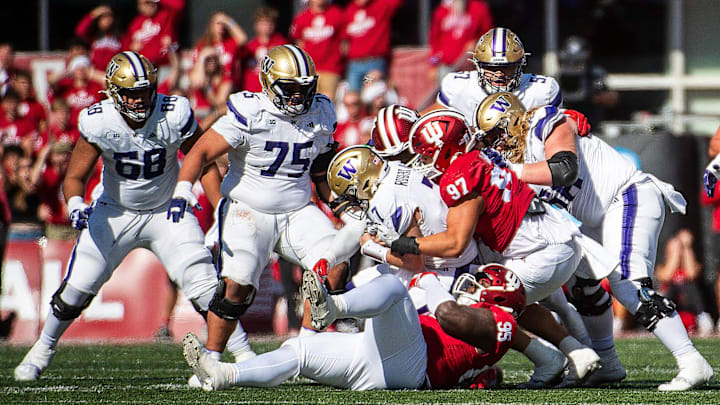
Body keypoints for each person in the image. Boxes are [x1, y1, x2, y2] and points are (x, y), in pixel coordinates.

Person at [13, 51, 252, 382]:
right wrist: (76, 203)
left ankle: (244, 354)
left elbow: (204, 159)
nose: (139, 100)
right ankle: (42, 349)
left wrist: (220, 215)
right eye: (131, 93)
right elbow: (75, 175)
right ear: (113, 92)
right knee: (77, 289)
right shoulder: (99, 120)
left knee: (204, 285)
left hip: (166, 210)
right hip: (116, 212)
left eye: (144, 91)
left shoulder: (174, 111)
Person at [473, 92, 714, 390]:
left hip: (627, 195)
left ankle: (691, 360)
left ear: (513, 122)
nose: (495, 143)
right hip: (593, 218)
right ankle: (608, 364)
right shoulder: (513, 159)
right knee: (582, 287)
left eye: (497, 133)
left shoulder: (543, 123)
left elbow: (564, 169)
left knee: (629, 285)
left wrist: (511, 171)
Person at [167, 44, 357, 366]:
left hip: (297, 210)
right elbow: (200, 151)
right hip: (248, 209)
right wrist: (183, 190)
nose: (298, 97)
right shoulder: (251, 111)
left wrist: (340, 205)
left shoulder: (321, 111)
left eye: (304, 89)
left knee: (336, 265)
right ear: (269, 83)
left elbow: (320, 168)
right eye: (290, 89)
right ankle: (211, 359)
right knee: (236, 288)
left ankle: (305, 352)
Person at [182, 261, 523, 391]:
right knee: (299, 351)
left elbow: (449, 316)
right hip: (377, 360)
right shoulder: (481, 321)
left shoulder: (500, 323)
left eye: (480, 286)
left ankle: (332, 309)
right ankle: (225, 375)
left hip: (415, 367)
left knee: (394, 290)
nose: (470, 288)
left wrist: (430, 286)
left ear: (499, 302)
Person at [427, 27, 561, 119]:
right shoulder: (458, 86)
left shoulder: (542, 91)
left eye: (506, 67)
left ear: (519, 66)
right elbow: (433, 118)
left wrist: (571, 118)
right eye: (491, 68)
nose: (498, 74)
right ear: (479, 67)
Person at [343, 0, 405, 92]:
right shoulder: (350, 10)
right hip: (355, 65)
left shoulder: (381, 5)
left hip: (373, 63)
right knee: (354, 94)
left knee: (369, 91)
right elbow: (343, 39)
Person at [428, 0, 493, 84]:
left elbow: (488, 35)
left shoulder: (478, 7)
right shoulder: (442, 10)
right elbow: (434, 42)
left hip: (470, 67)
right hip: (446, 66)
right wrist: (433, 65)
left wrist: (477, 44)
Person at [290, 0, 346, 98]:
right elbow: (299, 44)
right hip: (309, 71)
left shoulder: (337, 14)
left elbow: (344, 43)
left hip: (331, 68)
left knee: (327, 102)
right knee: (308, 102)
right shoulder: (301, 18)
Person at [193, 11, 248, 90]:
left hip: (229, 88)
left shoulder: (230, 43)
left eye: (224, 24)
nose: (221, 26)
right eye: (218, 23)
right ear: (211, 25)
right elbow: (195, 77)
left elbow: (243, 39)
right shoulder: (202, 45)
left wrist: (228, 21)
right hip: (209, 89)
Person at [123, 0, 185, 69]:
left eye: (152, 2)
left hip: (164, 66)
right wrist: (131, 47)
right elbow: (124, 48)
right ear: (139, 6)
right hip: (142, 68)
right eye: (146, 3)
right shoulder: (135, 23)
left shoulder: (165, 15)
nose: (150, 5)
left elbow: (179, 5)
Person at [239, 8, 287, 93]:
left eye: (269, 23)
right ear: (256, 25)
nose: (266, 26)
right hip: (252, 91)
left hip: (273, 92)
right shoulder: (250, 46)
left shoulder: (281, 44)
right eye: (262, 23)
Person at [74, 5, 122, 78]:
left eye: (109, 17)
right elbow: (80, 31)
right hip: (95, 75)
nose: (107, 20)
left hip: (114, 75)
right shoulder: (93, 37)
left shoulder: (120, 37)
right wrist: (93, 14)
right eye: (103, 17)